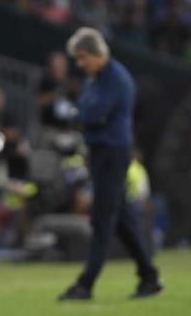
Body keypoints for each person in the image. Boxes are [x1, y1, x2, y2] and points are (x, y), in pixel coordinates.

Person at [58, 27, 162, 301]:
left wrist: (82, 117)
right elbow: (86, 114)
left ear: (96, 53)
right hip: (100, 152)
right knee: (121, 218)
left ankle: (86, 283)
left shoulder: (116, 78)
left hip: (113, 153)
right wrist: (83, 117)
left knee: (102, 218)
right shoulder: (96, 79)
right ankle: (149, 276)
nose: (80, 65)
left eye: (82, 58)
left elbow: (92, 114)